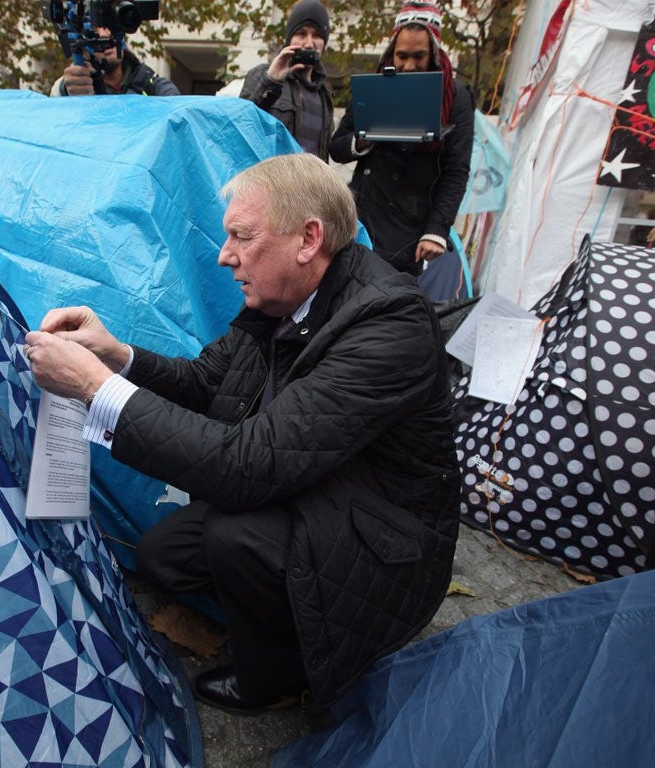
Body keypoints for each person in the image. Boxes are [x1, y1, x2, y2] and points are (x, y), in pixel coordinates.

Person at [23, 153, 460, 713]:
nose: (225, 255)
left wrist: (94, 390)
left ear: (308, 239)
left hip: (383, 539)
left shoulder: (387, 325)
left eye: (240, 236)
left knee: (236, 537)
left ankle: (279, 678)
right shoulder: (285, 298)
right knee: (164, 556)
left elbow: (244, 468)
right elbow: (207, 381)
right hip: (311, 487)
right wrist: (117, 357)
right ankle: (288, 614)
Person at [330, 1, 473, 276]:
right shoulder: (374, 86)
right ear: (391, 53)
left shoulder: (455, 96)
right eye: (402, 56)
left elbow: (456, 171)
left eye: (418, 56)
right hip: (361, 219)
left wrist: (436, 230)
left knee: (389, 308)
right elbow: (337, 147)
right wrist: (365, 140)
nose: (408, 66)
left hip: (408, 229)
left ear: (433, 52)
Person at [239, 0, 334, 162]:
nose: (309, 43)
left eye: (317, 35)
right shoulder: (263, 75)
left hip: (309, 185)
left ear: (324, 43)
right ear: (290, 39)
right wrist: (271, 81)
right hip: (271, 182)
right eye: (301, 34)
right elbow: (242, 128)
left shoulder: (325, 93)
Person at [51, 29, 179, 96]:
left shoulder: (155, 87)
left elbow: (177, 113)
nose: (104, 34)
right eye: (94, 29)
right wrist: (67, 90)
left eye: (110, 26)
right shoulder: (66, 86)